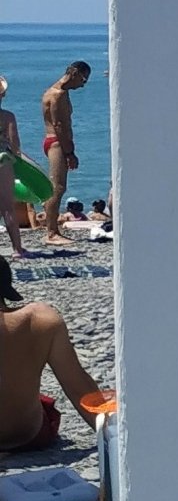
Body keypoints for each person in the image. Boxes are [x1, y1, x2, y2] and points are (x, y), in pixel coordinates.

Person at [0, 258, 107, 451]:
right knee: (41, 402)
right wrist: (111, 438)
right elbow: (77, 386)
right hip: (25, 434)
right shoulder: (39, 319)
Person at [39, 61, 90, 242]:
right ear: (74, 73)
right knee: (57, 187)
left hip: (54, 141)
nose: (82, 85)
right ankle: (52, 233)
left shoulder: (56, 92)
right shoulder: (58, 94)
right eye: (83, 80)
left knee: (58, 187)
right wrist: (69, 152)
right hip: (57, 143)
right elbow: (59, 125)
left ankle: (52, 229)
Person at [0, 76, 26, 257]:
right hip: (3, 160)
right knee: (7, 207)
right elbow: (15, 144)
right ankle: (17, 249)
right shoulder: (7, 116)